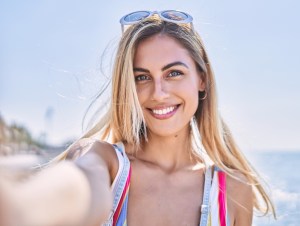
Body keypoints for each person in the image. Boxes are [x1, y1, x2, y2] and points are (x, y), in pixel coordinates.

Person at [0, 10, 275, 226]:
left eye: (174, 73)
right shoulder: (106, 164)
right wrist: (22, 209)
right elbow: (79, 185)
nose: (158, 92)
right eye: (142, 77)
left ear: (202, 79)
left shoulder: (234, 192)